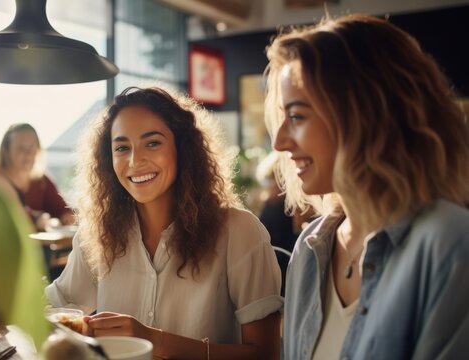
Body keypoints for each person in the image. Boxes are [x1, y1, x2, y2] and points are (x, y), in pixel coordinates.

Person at [264, 14, 469, 360]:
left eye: (297, 116)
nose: (280, 142)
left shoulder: (451, 244)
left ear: (364, 114)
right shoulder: (311, 248)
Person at [45, 87, 283, 359]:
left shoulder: (240, 232)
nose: (135, 161)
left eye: (153, 143)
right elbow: (57, 310)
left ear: (182, 148)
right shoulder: (96, 234)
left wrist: (154, 340)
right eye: (122, 148)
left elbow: (266, 354)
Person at [0, 123, 75, 230]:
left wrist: (65, 217)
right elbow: (17, 219)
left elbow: (64, 210)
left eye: (32, 147)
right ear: (6, 150)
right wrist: (40, 220)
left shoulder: (41, 180)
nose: (27, 154)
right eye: (20, 148)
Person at [256, 151, 315, 294]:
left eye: (270, 181)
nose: (269, 186)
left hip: (281, 274)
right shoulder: (281, 206)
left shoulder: (279, 207)